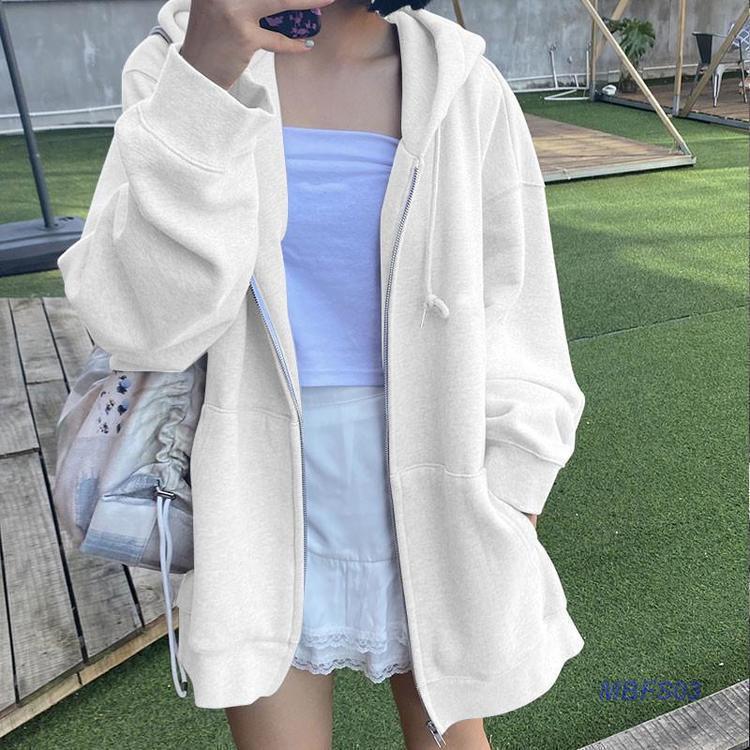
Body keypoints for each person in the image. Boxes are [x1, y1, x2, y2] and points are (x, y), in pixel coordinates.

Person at [57, 0, 587, 747]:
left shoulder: (464, 85)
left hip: (437, 488)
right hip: (253, 496)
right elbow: (140, 326)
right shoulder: (174, 64)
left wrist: (514, 487)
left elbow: (519, 308)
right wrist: (203, 79)